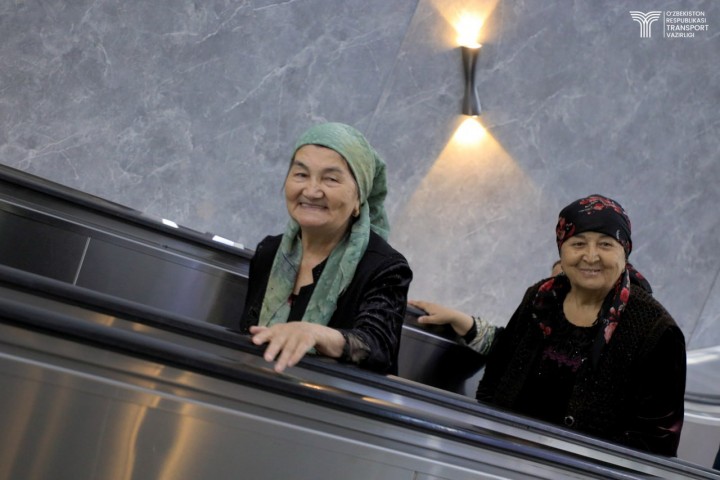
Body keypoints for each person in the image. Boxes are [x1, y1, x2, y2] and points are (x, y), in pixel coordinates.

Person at [410, 194, 686, 456]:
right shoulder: (541, 298)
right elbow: (497, 375)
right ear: (561, 249)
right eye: (578, 244)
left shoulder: (657, 331)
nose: (591, 256)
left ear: (625, 252)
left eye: (605, 244)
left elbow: (655, 444)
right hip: (503, 458)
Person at [238, 122, 412, 375]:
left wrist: (315, 333)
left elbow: (378, 347)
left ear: (359, 199)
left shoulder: (384, 267)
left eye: (330, 179)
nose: (311, 191)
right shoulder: (269, 252)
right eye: (301, 175)